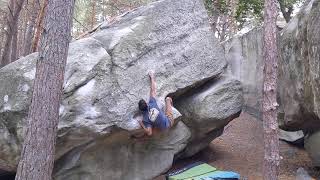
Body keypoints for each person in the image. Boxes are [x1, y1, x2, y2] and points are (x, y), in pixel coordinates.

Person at [137, 71, 174, 136]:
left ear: (140, 110)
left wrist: (141, 123)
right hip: (169, 121)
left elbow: (149, 133)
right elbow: (153, 89)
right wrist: (152, 77)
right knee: (168, 99)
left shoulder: (145, 119)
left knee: (153, 125)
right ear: (146, 103)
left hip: (163, 129)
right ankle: (171, 107)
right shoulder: (152, 103)